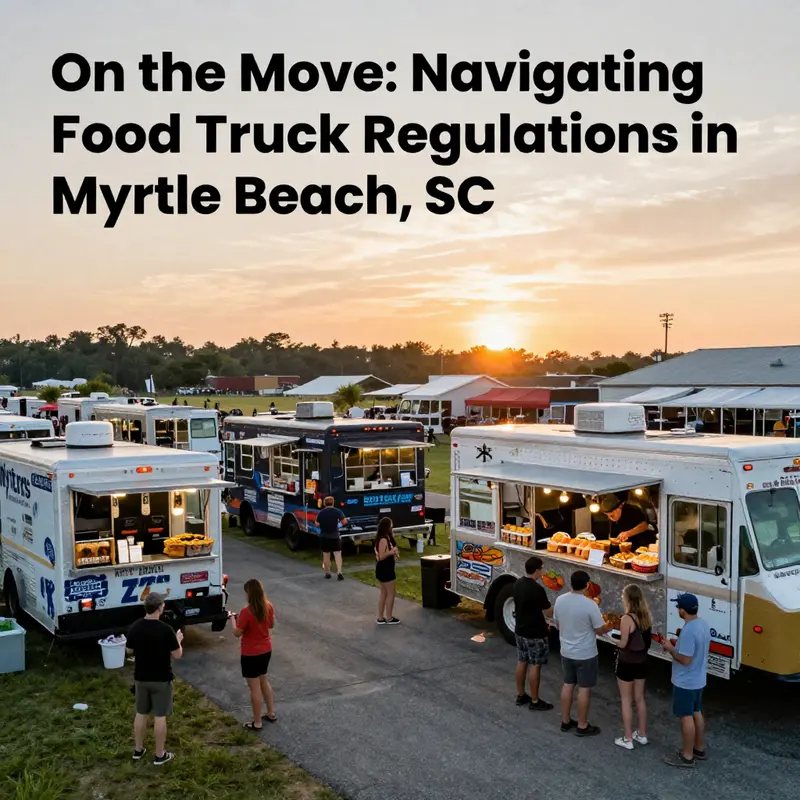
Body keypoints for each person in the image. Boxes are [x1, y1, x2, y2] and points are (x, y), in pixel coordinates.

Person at [125, 592, 183, 766]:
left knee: (141, 713)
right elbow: (177, 654)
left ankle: (138, 749)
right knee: (160, 715)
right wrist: (178, 640)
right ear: (159, 608)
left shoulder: (135, 627)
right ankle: (159, 754)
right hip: (161, 679)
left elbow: (129, 651)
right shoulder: (166, 629)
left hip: (141, 678)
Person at [552, 570, 611, 736]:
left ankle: (565, 721)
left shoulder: (560, 600)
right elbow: (599, 630)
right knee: (584, 688)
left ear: (571, 583)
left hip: (566, 650)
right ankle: (582, 725)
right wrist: (610, 625)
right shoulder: (590, 605)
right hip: (586, 653)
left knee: (568, 684)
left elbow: (557, 624)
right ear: (587, 586)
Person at [661, 593, 711, 768]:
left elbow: (685, 659)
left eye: (678, 607)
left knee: (686, 716)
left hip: (685, 681)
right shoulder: (702, 624)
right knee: (697, 712)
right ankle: (699, 748)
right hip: (699, 679)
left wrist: (670, 648)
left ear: (683, 610)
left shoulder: (690, 630)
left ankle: (687, 756)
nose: (677, 610)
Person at [231, 578, 277, 729]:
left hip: (250, 653)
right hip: (266, 650)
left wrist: (233, 620)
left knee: (254, 688)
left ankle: (257, 722)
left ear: (249, 593)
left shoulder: (246, 611)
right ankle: (271, 712)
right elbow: (270, 625)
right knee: (264, 681)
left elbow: (237, 633)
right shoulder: (268, 606)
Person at [613, 584, 653, 750]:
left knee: (626, 700)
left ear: (628, 599)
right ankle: (642, 734)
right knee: (640, 698)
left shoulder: (627, 618)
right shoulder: (646, 616)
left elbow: (623, 642)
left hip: (626, 662)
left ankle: (628, 738)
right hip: (642, 662)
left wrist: (612, 640)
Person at [513, 556, 554, 710]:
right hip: (536, 632)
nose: (543, 572)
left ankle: (521, 694)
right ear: (536, 570)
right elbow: (548, 613)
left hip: (520, 630)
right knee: (535, 665)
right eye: (542, 569)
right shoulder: (537, 589)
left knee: (522, 660)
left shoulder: (518, 583)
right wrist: (558, 605)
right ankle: (535, 701)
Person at [374, 516, 400, 624]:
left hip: (385, 569)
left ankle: (381, 617)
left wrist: (394, 552)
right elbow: (380, 556)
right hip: (385, 570)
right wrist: (391, 552)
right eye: (391, 525)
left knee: (384, 593)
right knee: (391, 593)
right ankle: (389, 617)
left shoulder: (386, 538)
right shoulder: (383, 539)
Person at [317, 496, 348, 580]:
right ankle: (339, 572)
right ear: (333, 503)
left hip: (324, 537)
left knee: (326, 556)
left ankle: (327, 573)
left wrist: (323, 525)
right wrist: (338, 524)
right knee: (337, 555)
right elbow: (344, 522)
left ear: (324, 503)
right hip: (335, 537)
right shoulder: (337, 511)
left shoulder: (321, 512)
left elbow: (317, 524)